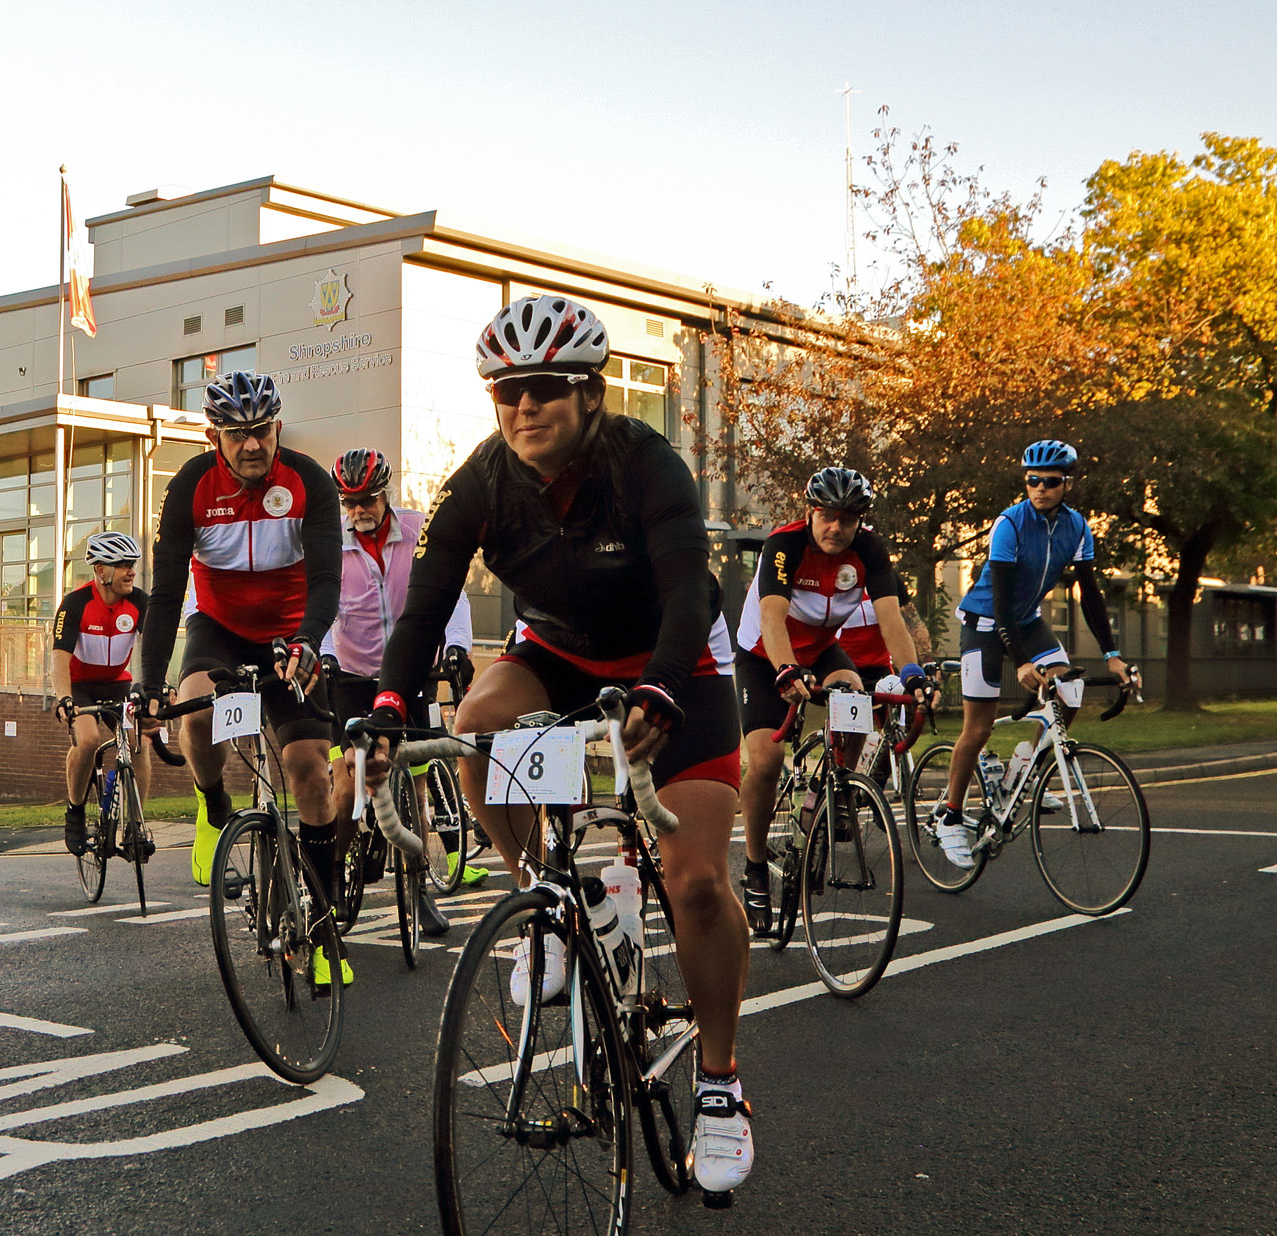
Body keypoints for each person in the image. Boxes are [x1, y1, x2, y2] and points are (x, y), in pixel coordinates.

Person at [364, 295, 755, 1195]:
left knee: (695, 882)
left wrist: (658, 685)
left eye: (543, 388)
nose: (522, 407)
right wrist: (389, 702)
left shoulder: (646, 463)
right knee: (473, 730)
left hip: (675, 664)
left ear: (589, 393)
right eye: (505, 392)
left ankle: (724, 1084)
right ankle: (548, 899)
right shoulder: (481, 482)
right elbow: (424, 606)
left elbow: (691, 589)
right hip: (558, 654)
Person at [133, 369, 346, 980]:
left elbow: (327, 579)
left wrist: (308, 640)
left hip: (291, 632)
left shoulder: (308, 480)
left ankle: (327, 933)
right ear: (213, 436)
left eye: (260, 431)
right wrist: (151, 683)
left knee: (309, 771)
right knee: (194, 711)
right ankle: (213, 804)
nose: (251, 445)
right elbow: (168, 591)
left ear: (277, 428)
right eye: (236, 434)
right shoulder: (190, 487)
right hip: (219, 629)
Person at [736, 467, 927, 934]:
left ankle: (831, 792)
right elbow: (772, 617)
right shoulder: (783, 545)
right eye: (827, 516)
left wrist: (914, 674)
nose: (836, 528)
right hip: (765, 654)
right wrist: (784, 669)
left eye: (848, 519)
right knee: (765, 759)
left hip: (820, 648)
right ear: (810, 513)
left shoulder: (869, 551)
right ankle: (755, 866)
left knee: (857, 696)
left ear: (860, 522)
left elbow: (891, 621)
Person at [932, 440, 1132, 867]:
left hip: (1027, 621)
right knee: (979, 728)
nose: (1040, 488)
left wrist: (1112, 654)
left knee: (1069, 691)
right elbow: (1001, 603)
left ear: (1067, 484)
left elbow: (1091, 595)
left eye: (1050, 482)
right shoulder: (1009, 524)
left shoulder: (1077, 527)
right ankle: (950, 815)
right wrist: (1021, 661)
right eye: (1032, 481)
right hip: (986, 624)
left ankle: (1023, 768)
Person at [319, 446, 485, 920]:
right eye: (348, 503)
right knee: (348, 782)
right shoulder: (332, 541)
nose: (358, 512)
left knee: (414, 789)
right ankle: (331, 871)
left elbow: (450, 596)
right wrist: (326, 657)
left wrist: (456, 647)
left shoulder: (417, 530)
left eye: (366, 500)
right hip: (350, 676)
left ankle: (416, 890)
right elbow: (325, 607)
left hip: (409, 673)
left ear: (385, 495)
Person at [53, 530, 151, 856]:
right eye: (121, 564)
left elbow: (154, 650)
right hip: (79, 686)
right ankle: (75, 809)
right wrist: (64, 700)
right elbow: (58, 662)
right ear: (100, 570)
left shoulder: (139, 602)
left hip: (118, 684)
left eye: (132, 564)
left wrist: (155, 688)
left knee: (138, 742)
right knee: (89, 740)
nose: (131, 571)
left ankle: (136, 824)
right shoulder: (75, 604)